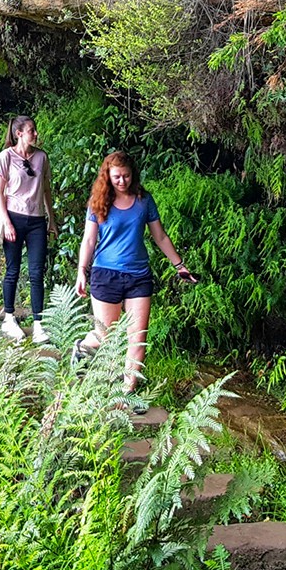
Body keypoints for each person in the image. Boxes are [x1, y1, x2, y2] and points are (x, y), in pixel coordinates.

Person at [73, 151, 196, 395]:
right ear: (107, 176)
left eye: (126, 176)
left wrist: (179, 265)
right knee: (106, 338)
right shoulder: (98, 202)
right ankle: (83, 347)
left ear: (133, 175)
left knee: (137, 338)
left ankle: (127, 393)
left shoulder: (144, 200)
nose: (122, 181)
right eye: (117, 176)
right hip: (105, 274)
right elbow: (89, 240)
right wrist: (81, 271)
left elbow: (159, 236)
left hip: (139, 276)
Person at [0, 115, 57, 343]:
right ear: (19, 133)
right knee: (13, 270)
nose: (36, 134)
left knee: (37, 272)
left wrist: (52, 219)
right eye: (31, 130)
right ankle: (8, 318)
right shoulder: (6, 157)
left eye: (35, 130)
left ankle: (38, 323)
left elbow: (47, 189)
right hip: (14, 218)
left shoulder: (41, 157)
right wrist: (6, 222)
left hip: (37, 220)